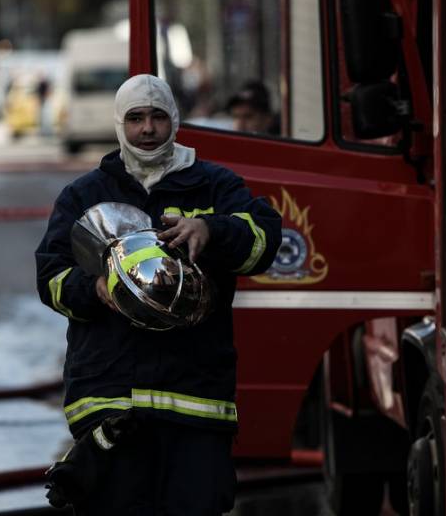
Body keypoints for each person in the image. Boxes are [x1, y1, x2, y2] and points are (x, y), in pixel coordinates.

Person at [35, 74, 281, 515]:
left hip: (196, 404)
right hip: (111, 403)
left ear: (175, 121)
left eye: (157, 117)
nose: (147, 129)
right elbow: (50, 277)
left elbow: (263, 240)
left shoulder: (214, 187)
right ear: (119, 124)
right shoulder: (85, 195)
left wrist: (212, 230)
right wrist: (93, 288)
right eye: (135, 119)